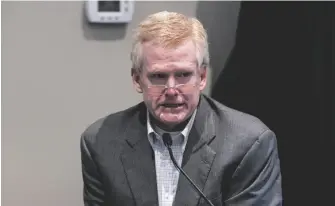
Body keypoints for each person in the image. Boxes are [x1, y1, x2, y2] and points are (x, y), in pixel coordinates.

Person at [80, 11, 282, 206]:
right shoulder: (101, 143)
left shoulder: (249, 144)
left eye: (183, 75)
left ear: (202, 77)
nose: (171, 89)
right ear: (136, 79)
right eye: (158, 77)